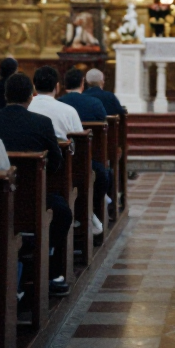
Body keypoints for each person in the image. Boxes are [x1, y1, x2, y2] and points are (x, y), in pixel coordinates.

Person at [0, 73, 72, 295]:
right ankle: (50, 271)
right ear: (31, 97)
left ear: (5, 95)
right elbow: (57, 163)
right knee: (62, 212)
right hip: (31, 200)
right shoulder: (41, 123)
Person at [53, 67, 112, 234]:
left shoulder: (60, 103)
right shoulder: (94, 103)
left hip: (59, 161)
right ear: (82, 83)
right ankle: (90, 210)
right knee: (100, 172)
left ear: (63, 85)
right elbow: (102, 126)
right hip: (81, 159)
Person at [28, 66, 84, 139]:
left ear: (34, 87)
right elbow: (80, 140)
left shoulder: (26, 107)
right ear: (57, 86)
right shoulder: (69, 111)